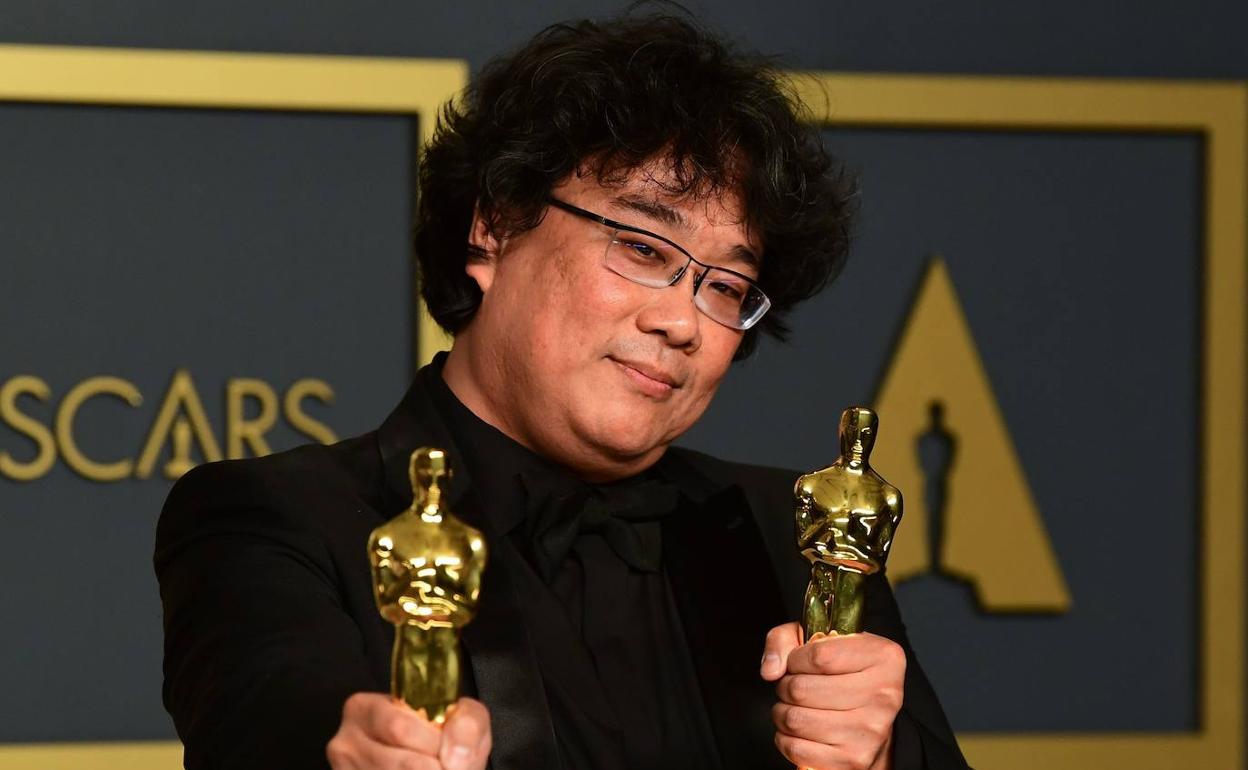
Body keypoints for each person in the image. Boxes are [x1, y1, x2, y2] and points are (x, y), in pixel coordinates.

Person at [155, 9, 970, 770]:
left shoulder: (797, 532)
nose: (682, 322)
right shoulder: (277, 519)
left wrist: (878, 756)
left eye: (725, 287)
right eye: (644, 248)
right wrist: (354, 751)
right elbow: (271, 718)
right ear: (495, 226)